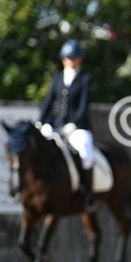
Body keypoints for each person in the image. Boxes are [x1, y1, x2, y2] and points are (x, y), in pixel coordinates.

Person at [38, 39, 97, 210]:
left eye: (74, 58)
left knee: (86, 153)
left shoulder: (85, 79)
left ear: (80, 59)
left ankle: (87, 192)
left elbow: (84, 106)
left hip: (77, 127)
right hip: (56, 124)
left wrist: (73, 124)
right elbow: (49, 102)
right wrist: (41, 122)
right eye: (67, 58)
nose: (70, 61)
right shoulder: (57, 77)